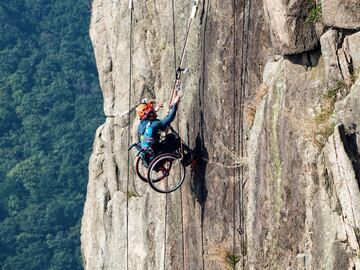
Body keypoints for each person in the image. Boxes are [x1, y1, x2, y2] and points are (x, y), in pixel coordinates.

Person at [135, 96, 182, 164]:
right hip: (156, 151)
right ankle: (188, 159)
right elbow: (169, 118)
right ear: (150, 114)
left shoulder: (142, 123)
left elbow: (147, 116)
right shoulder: (154, 125)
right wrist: (175, 103)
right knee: (174, 138)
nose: (154, 110)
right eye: (152, 110)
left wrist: (155, 110)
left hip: (148, 150)